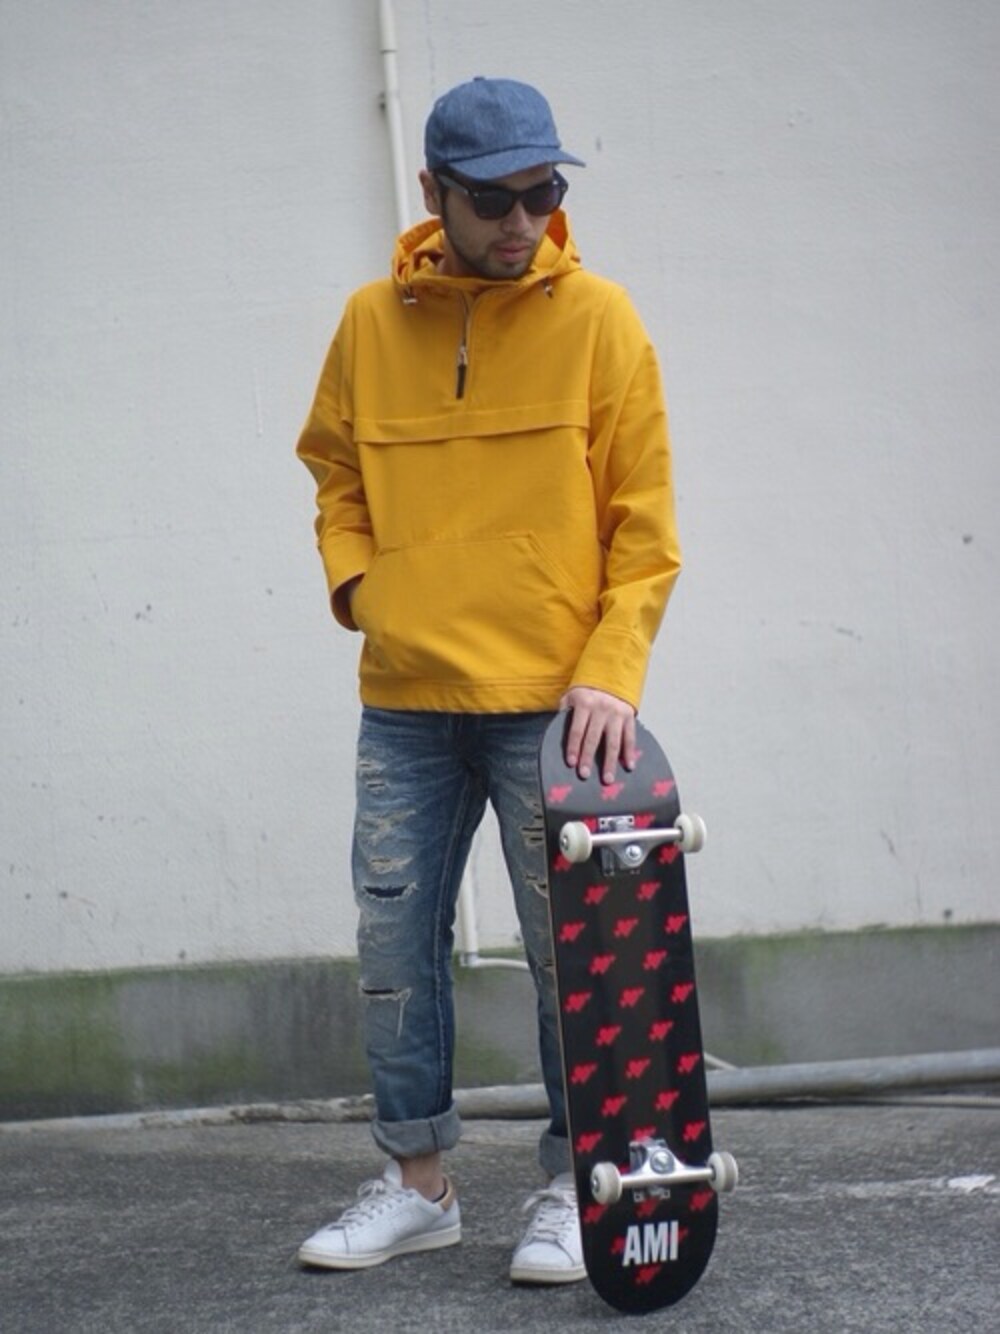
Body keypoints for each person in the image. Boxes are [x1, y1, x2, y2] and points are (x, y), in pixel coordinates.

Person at [295, 75, 681, 1284]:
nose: (523, 221)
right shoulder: (370, 323)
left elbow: (644, 520)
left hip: (554, 706)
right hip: (405, 697)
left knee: (576, 953)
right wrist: (365, 589)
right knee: (393, 946)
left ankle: (576, 1182)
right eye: (495, 199)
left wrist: (611, 671)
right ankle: (420, 1186)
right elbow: (334, 471)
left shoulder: (599, 318)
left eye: (543, 192)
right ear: (434, 193)